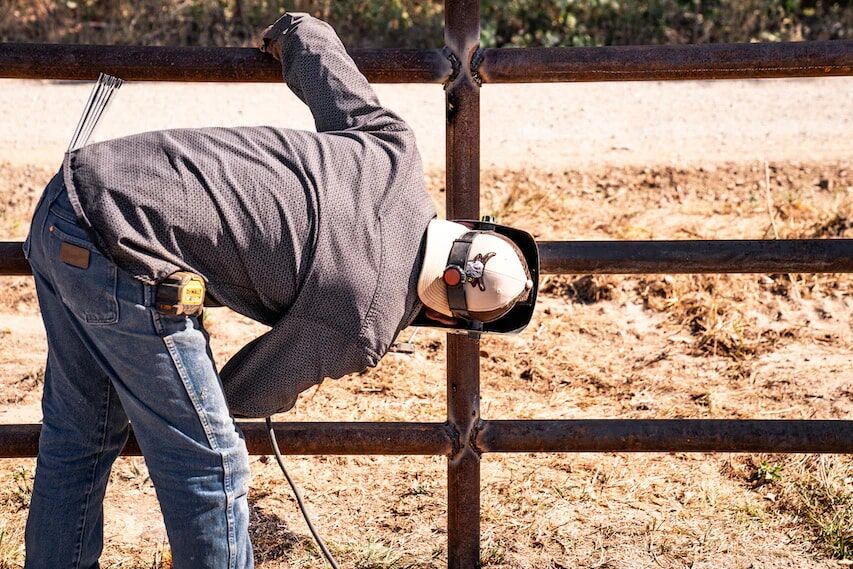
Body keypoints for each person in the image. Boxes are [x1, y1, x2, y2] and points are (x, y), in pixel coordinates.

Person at [21, 12, 533, 568]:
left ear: (467, 227)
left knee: (81, 436)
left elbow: (316, 50)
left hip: (68, 198)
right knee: (213, 465)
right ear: (453, 320)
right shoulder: (367, 322)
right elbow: (245, 392)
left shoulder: (394, 151)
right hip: (124, 251)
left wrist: (288, 30)